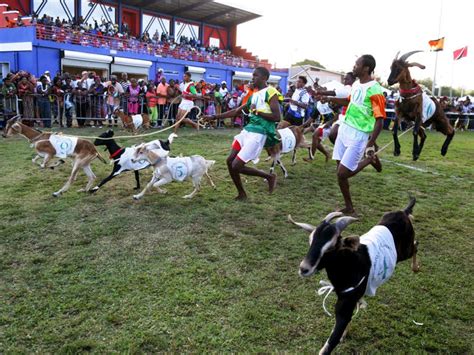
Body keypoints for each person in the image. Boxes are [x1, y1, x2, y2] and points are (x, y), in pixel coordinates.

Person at [202, 67, 282, 201]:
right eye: (252, 75)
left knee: (236, 165)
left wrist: (257, 112)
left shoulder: (271, 92)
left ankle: (269, 177)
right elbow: (236, 111)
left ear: (264, 78)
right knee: (229, 161)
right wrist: (214, 117)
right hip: (247, 130)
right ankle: (242, 193)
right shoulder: (254, 95)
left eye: (255, 76)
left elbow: (276, 116)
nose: (252, 78)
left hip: (259, 133)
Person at [320, 55, 385, 214]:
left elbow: (380, 120)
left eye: (357, 64)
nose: (354, 67)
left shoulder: (375, 90)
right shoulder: (356, 84)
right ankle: (349, 207)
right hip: (344, 129)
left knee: (343, 173)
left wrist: (370, 143)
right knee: (340, 172)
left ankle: (369, 160)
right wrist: (330, 98)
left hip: (359, 134)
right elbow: (349, 101)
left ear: (366, 68)